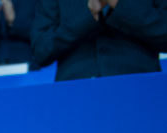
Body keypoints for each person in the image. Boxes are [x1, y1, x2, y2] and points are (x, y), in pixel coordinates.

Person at [31, 0, 167, 81]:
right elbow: (41, 51)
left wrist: (119, 4)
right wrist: (88, 16)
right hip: (76, 93)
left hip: (140, 87)